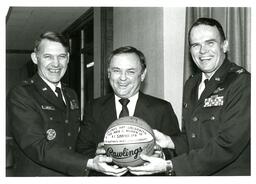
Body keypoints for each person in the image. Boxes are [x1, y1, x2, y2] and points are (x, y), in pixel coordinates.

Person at [128, 17, 250, 176]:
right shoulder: (191, 84)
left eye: (210, 43)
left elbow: (228, 145)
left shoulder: (241, 82)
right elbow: (193, 137)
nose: (202, 51)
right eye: (195, 45)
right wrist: (168, 141)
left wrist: (170, 165)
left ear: (225, 46)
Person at [7, 31, 126, 176]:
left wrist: (97, 148)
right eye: (48, 57)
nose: (56, 64)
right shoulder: (22, 94)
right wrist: (89, 163)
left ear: (68, 58)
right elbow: (36, 146)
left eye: (61, 56)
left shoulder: (70, 94)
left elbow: (71, 138)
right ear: (35, 58)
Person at [76, 46, 181, 176]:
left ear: (142, 75)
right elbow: (81, 150)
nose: (123, 78)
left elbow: (178, 150)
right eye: (116, 70)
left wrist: (161, 156)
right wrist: (96, 157)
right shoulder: (94, 107)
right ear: (109, 73)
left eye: (130, 71)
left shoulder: (162, 108)